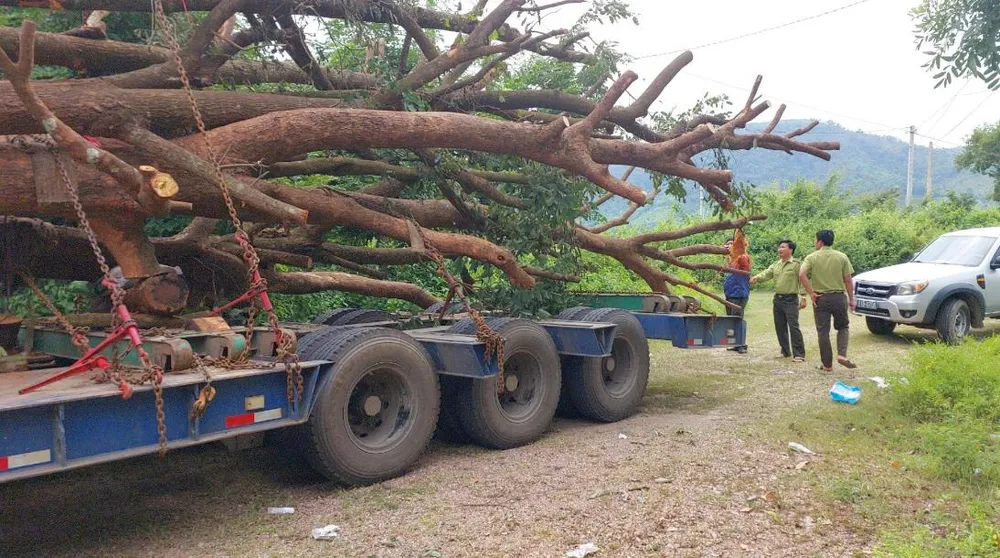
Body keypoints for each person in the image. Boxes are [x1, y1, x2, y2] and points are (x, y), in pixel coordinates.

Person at [799, 229, 857, 372]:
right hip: (839, 297)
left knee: (823, 332)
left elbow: (801, 274)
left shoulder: (811, 257)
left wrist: (811, 293)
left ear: (820, 242)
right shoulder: (842, 257)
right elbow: (848, 280)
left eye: (815, 240)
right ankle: (842, 355)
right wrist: (851, 299)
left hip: (821, 298)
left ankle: (827, 365)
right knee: (843, 327)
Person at [751, 239, 807, 362]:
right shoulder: (776, 264)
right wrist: (756, 278)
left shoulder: (797, 264)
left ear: (790, 250)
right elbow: (766, 273)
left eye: (783, 247)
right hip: (778, 299)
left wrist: (803, 297)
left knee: (793, 326)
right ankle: (785, 351)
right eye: (779, 247)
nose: (779, 249)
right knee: (780, 326)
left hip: (791, 300)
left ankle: (799, 354)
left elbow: (803, 280)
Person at [723, 230, 751, 354]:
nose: (728, 246)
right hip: (729, 294)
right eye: (727, 244)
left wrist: (739, 239)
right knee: (730, 319)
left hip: (739, 294)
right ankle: (734, 343)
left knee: (737, 319)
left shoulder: (742, 258)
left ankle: (741, 344)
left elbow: (745, 263)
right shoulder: (730, 260)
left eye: (731, 244)